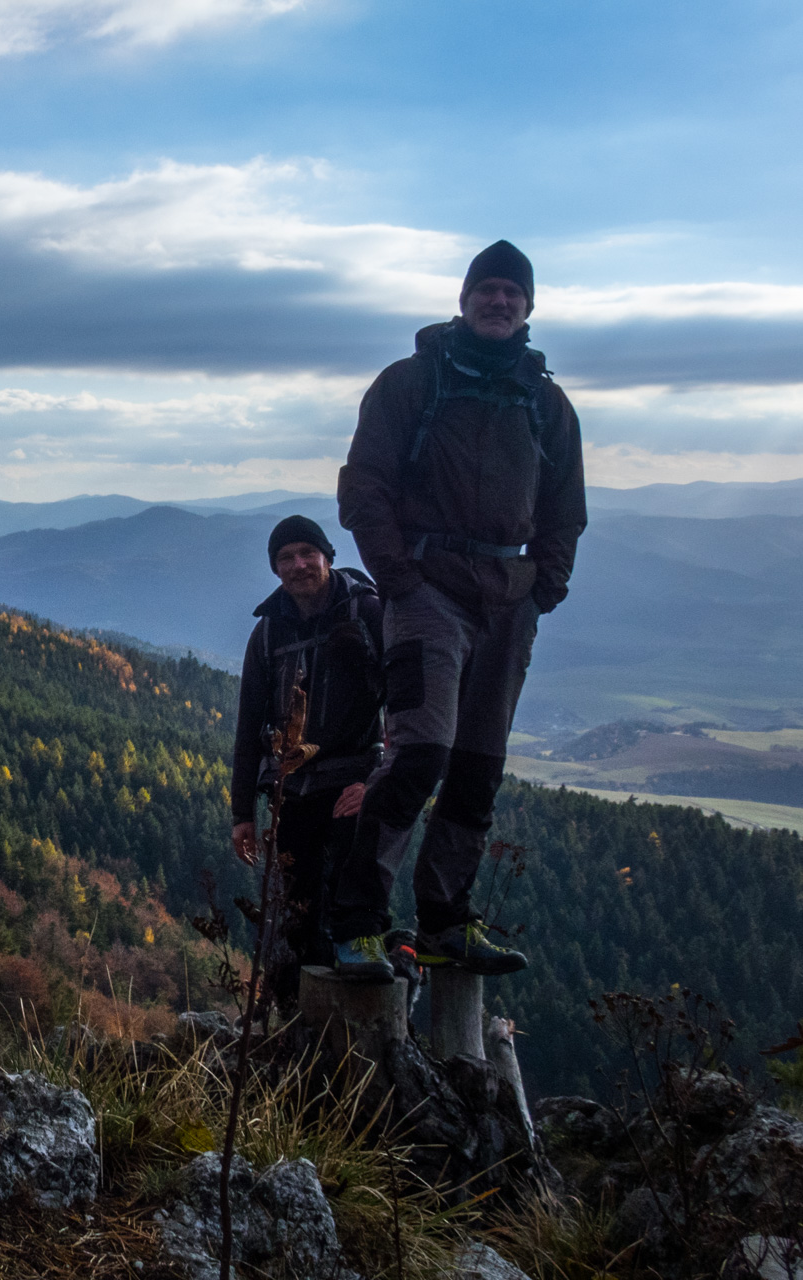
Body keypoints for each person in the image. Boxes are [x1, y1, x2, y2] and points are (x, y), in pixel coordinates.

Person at [329, 240, 586, 979]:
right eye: (488, 290)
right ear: (465, 299)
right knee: (420, 754)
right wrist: (400, 579)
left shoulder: (546, 403)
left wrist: (545, 589)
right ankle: (359, 922)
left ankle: (445, 919)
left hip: (510, 600)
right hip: (428, 591)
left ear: (528, 307)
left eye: (512, 292)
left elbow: (566, 509)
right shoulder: (413, 382)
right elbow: (363, 487)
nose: (499, 302)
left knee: (478, 768)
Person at [231, 514, 385, 1006]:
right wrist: (241, 815)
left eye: (306, 553)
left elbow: (408, 703)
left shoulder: (369, 612)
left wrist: (382, 780)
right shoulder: (269, 633)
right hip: (290, 791)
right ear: (275, 569)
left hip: (353, 785)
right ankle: (296, 1025)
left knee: (351, 907)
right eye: (285, 557)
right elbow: (249, 724)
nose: (298, 565)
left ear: (328, 556)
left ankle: (358, 1021)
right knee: (296, 917)